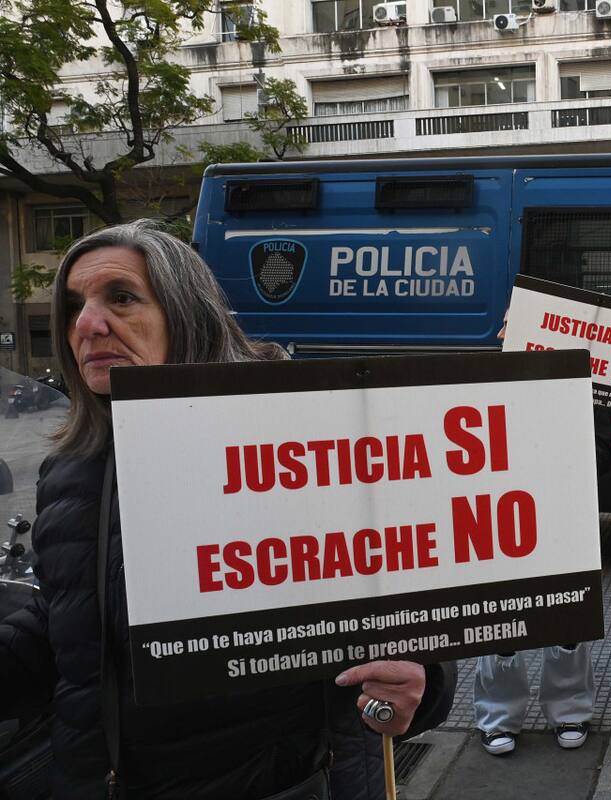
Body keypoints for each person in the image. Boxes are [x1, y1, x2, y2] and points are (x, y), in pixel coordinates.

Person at [0, 221, 453, 799]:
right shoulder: (73, 471)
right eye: (73, 307)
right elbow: (73, 626)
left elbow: (406, 612)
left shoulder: (300, 453)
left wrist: (421, 680)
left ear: (188, 315)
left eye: (121, 298)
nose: (87, 325)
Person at [472, 308, 611, 756]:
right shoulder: (484, 378)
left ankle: (570, 712)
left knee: (567, 619)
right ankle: (498, 718)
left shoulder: (583, 383)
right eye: (513, 325)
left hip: (561, 514)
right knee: (502, 624)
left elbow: (603, 453)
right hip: (502, 517)